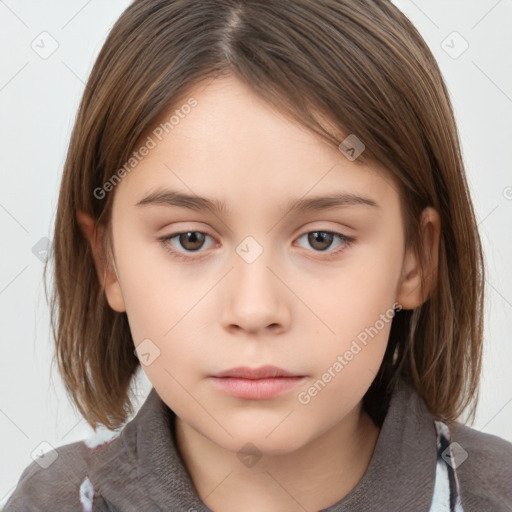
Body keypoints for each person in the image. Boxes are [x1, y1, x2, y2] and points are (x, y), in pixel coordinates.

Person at [4, 1, 512, 511]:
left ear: (415, 259)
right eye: (190, 240)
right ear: (108, 261)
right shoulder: (54, 500)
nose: (254, 310)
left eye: (321, 239)